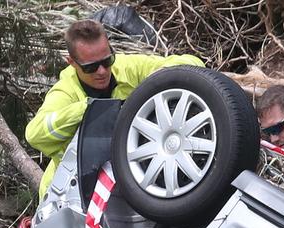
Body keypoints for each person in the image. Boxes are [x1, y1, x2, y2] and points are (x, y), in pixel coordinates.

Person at [25, 19, 204, 197]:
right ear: (71, 62)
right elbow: (34, 134)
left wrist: (160, 78)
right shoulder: (66, 91)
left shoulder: (126, 67)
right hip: (68, 194)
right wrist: (89, 108)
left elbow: (192, 62)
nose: (102, 71)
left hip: (123, 176)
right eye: (91, 67)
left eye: (107, 60)